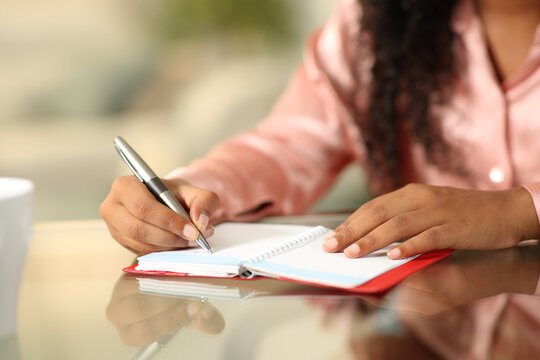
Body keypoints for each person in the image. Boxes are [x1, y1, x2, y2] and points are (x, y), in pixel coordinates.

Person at [100, 0, 540, 258]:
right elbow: (289, 146)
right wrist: (188, 192)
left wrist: (518, 211)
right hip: (432, 328)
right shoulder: (379, 20)